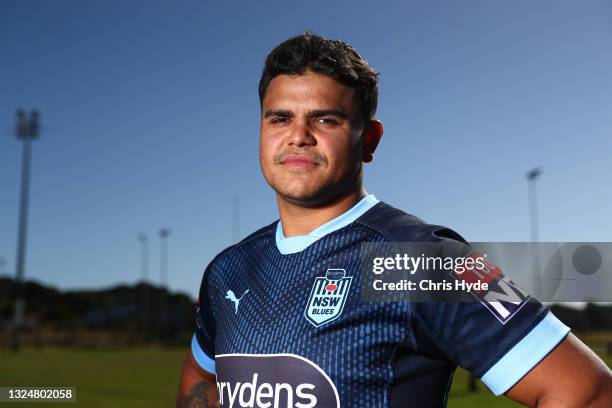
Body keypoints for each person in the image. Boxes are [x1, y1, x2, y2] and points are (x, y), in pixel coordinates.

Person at [177, 32, 612, 407]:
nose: (298, 136)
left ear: (369, 139)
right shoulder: (227, 269)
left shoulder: (421, 259)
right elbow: (199, 379)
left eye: (325, 118)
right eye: (280, 118)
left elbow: (589, 392)